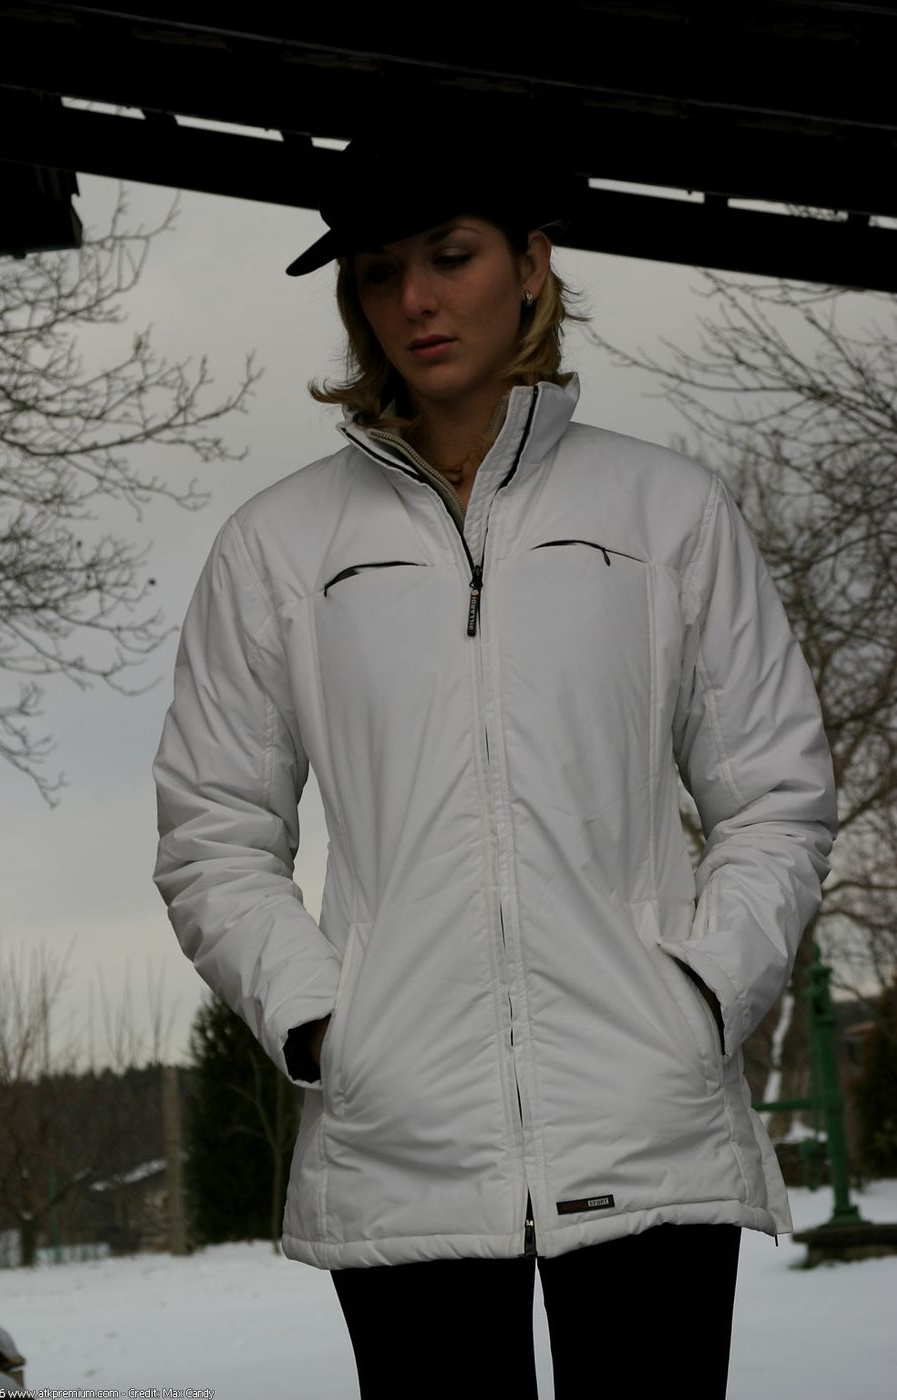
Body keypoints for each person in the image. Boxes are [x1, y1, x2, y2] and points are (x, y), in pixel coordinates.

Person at [152, 116, 837, 1400]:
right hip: (400, 1147)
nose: (414, 298)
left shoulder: (666, 513)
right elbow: (213, 831)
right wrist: (326, 1022)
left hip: (648, 1129)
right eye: (378, 271)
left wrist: (698, 1001)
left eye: (450, 254)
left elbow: (777, 797)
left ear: (531, 263)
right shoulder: (277, 548)